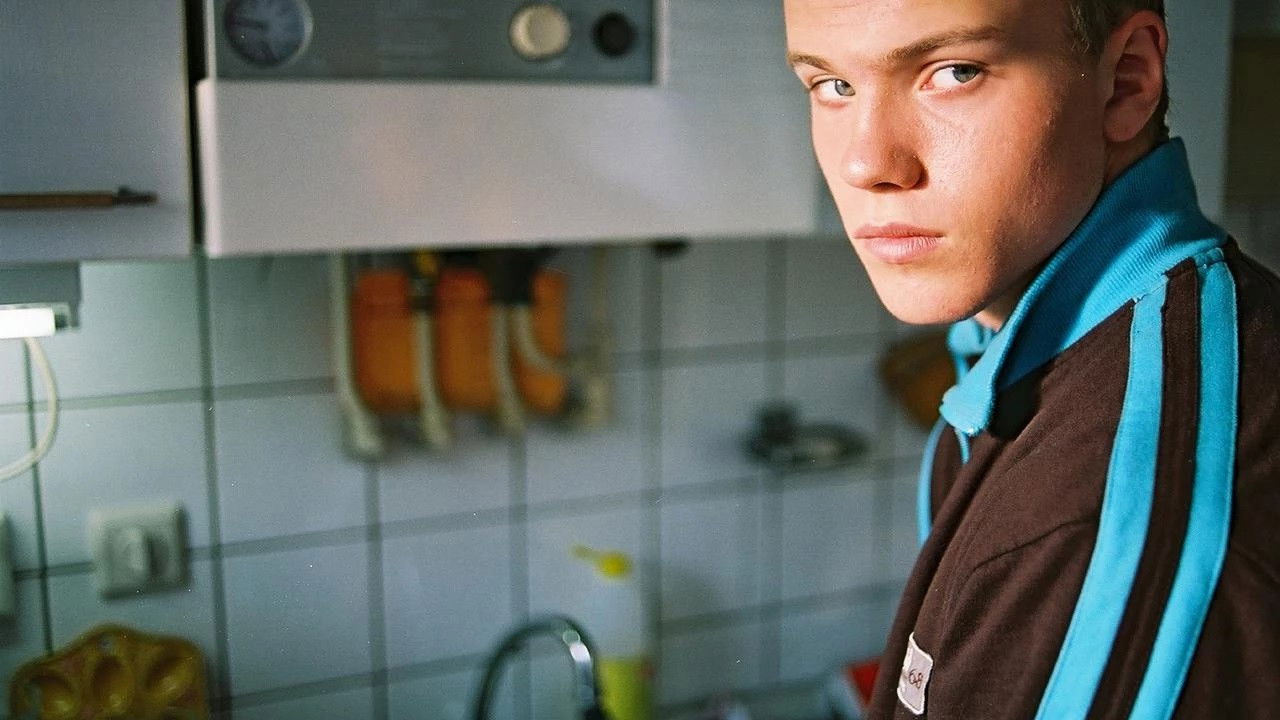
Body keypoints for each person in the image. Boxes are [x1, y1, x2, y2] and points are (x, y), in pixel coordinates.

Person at [782, 0, 1280, 718]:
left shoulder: (1110, 528)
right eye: (833, 85)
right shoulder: (1023, 351)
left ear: (1127, 80)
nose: (869, 165)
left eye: (955, 72)